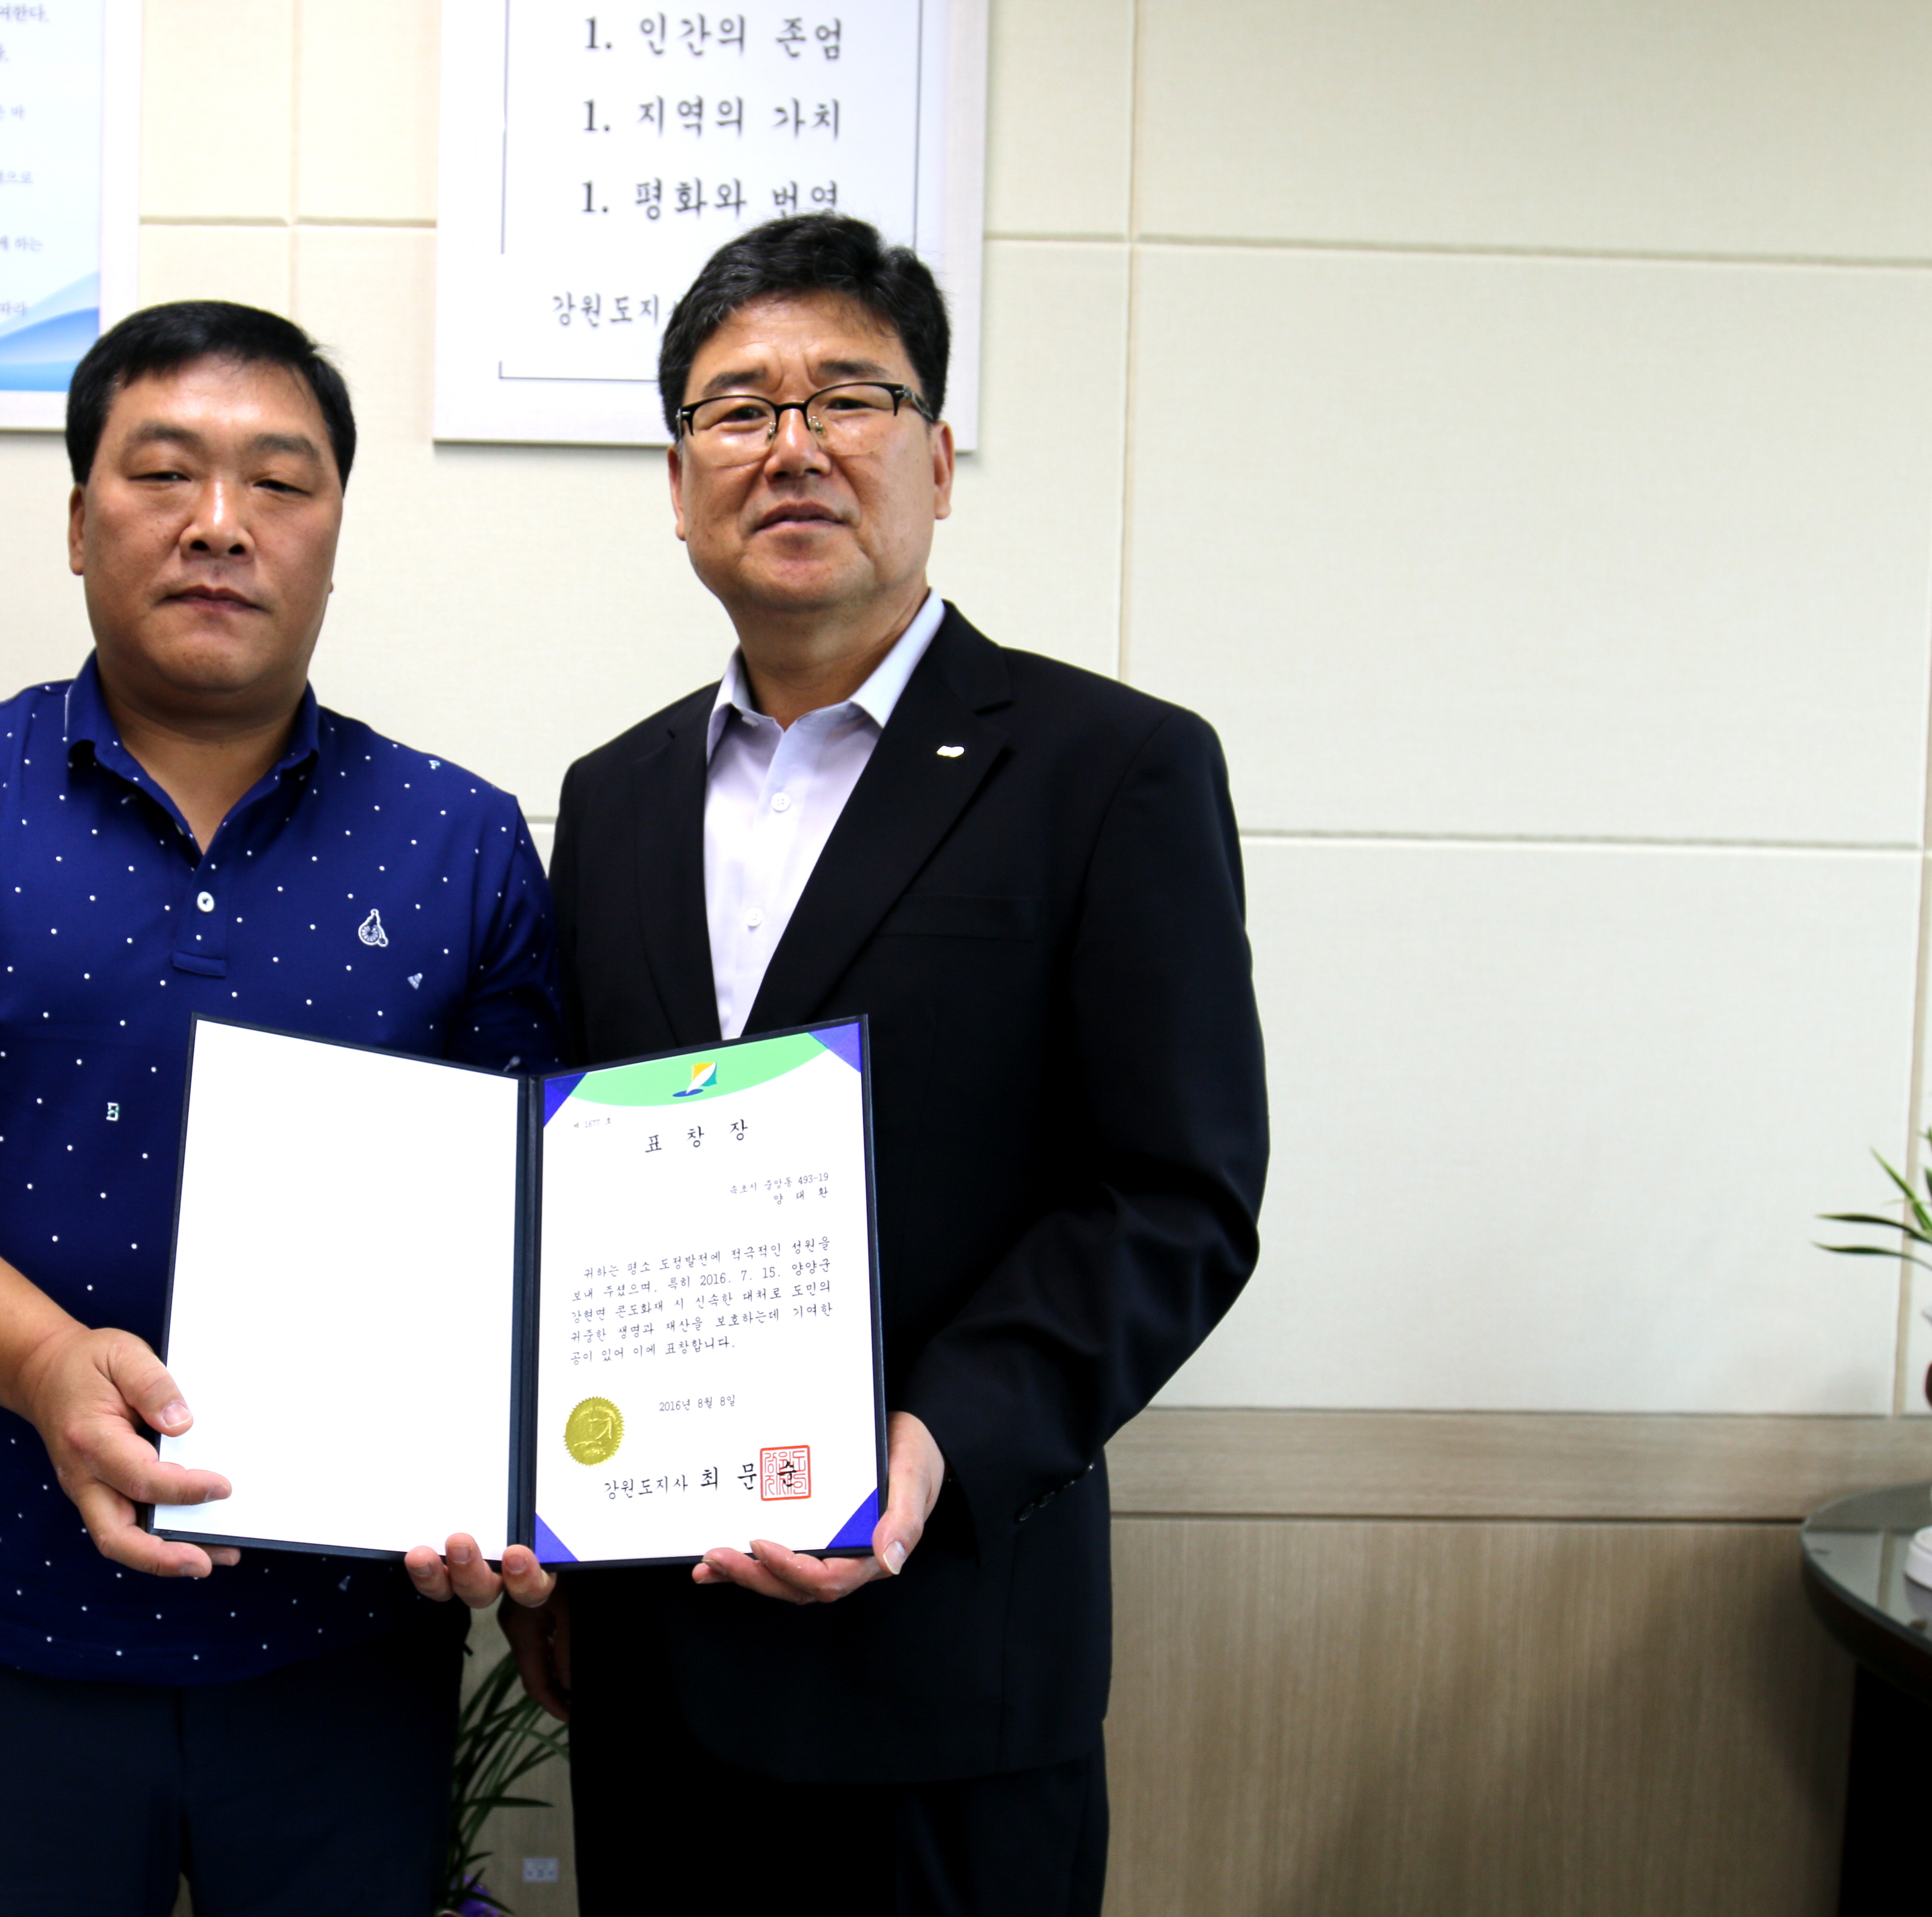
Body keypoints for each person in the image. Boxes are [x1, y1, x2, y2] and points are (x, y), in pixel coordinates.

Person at [0, 300, 560, 1916]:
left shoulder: (457, 836)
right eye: (164, 473)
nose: (220, 524)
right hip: (2, 1618)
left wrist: (533, 1507)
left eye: (279, 483)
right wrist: (48, 1362)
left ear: (335, 533)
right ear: (76, 521)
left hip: (349, 1647)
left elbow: (534, 1214)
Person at [501, 213, 1269, 1913]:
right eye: (738, 408)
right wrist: (547, 1519)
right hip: (653, 1664)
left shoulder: (1108, 769)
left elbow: (1177, 1194)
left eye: (849, 397)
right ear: (680, 480)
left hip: (945, 1671)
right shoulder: (613, 797)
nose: (793, 445)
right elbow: (576, 1181)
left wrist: (930, 1445)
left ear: (935, 455)